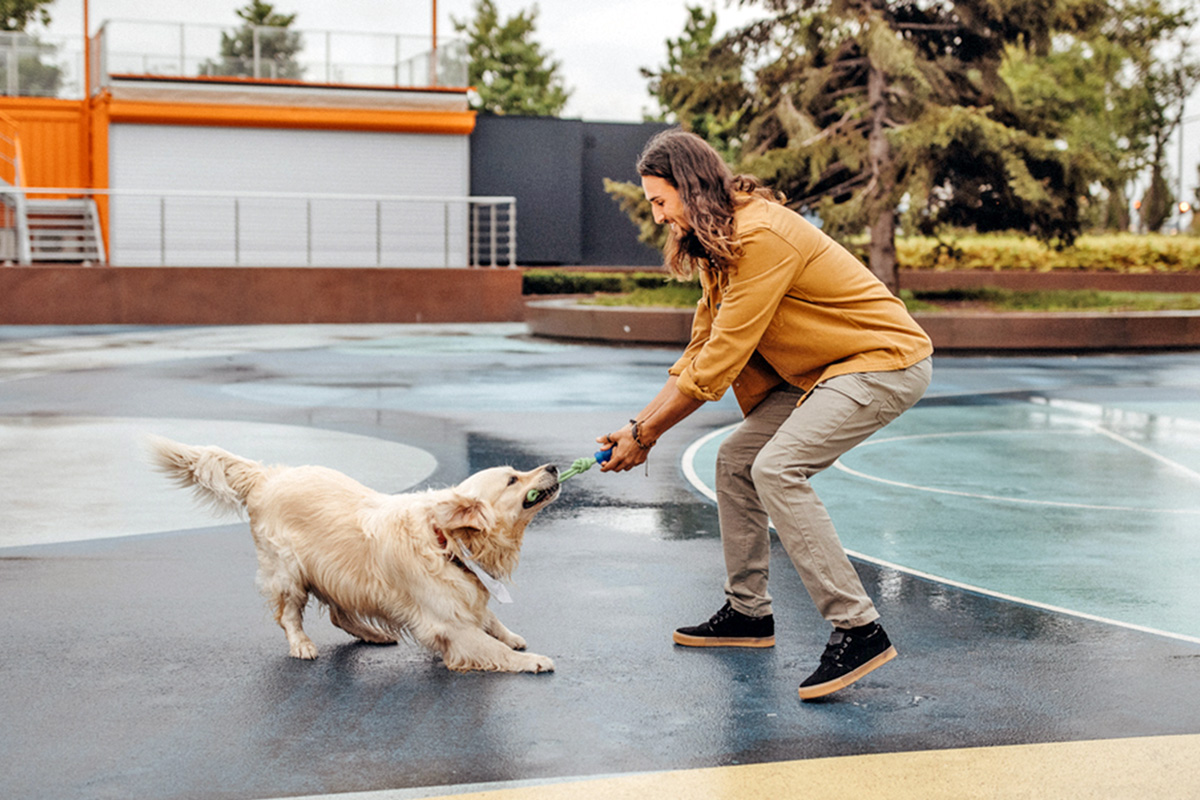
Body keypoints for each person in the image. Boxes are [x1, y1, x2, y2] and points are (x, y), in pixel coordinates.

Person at [597, 129, 933, 701]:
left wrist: (647, 434)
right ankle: (748, 613)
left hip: (881, 361)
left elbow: (718, 364)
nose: (657, 216)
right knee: (735, 461)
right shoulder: (718, 243)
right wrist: (637, 427)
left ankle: (859, 629)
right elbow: (698, 352)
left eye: (660, 201)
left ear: (689, 187)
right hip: (823, 370)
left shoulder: (760, 238)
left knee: (777, 468)